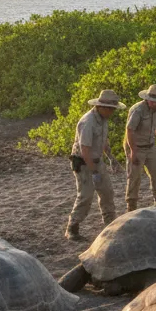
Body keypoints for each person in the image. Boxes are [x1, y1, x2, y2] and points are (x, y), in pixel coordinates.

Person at [64, 89, 124, 240]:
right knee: (85, 195)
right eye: (111, 109)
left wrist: (111, 158)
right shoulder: (88, 122)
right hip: (84, 164)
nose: (113, 112)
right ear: (102, 107)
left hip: (97, 161)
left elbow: (104, 141)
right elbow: (85, 150)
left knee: (107, 192)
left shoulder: (103, 120)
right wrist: (93, 171)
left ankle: (109, 222)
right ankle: (72, 227)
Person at [125, 84, 156, 212]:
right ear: (149, 100)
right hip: (136, 146)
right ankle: (131, 207)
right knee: (134, 177)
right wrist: (133, 151)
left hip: (150, 146)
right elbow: (129, 131)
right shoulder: (138, 110)